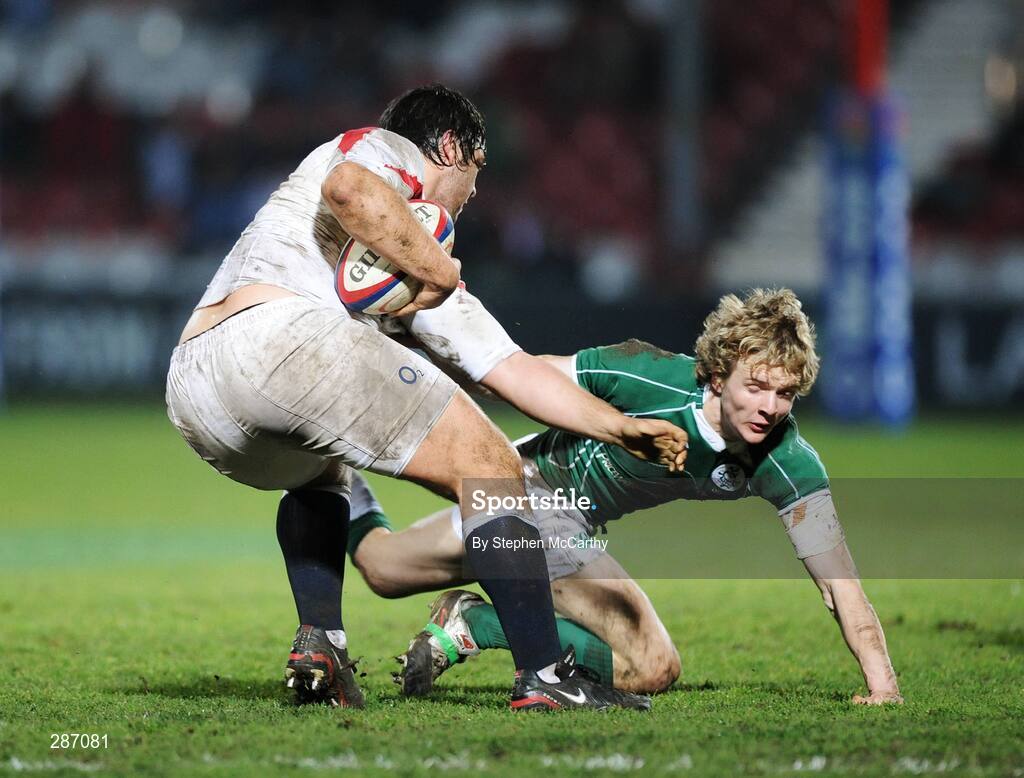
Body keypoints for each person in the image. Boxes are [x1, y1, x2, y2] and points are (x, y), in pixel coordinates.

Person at [165, 84, 687, 711]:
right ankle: (544, 675)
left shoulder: (402, 256)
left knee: (323, 476)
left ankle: (321, 642)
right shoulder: (385, 154)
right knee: (492, 468)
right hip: (279, 340)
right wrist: (440, 270)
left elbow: (513, 371)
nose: (472, 193)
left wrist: (621, 430)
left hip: (198, 390)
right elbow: (350, 191)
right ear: (448, 148)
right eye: (475, 171)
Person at [343, 288, 904, 705]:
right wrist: (411, 350)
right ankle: (475, 623)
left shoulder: (786, 460)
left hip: (526, 512)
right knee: (653, 665)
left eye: (784, 393)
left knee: (381, 567)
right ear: (716, 375)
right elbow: (518, 374)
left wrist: (883, 686)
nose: (769, 407)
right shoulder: (648, 376)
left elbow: (839, 583)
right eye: (755, 386)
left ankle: (339, 484)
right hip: (528, 493)